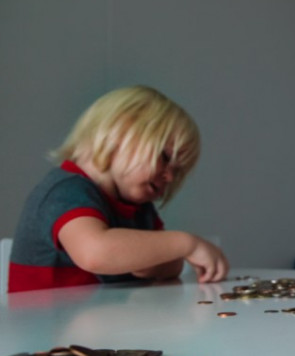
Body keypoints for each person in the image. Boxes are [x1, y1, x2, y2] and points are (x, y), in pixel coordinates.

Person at [9, 86, 229, 293]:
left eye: (177, 172)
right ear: (121, 132)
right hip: (45, 328)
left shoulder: (138, 208)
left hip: (101, 323)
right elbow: (95, 252)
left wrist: (154, 261)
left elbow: (168, 266)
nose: (169, 177)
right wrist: (187, 243)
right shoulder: (65, 191)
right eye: (165, 157)